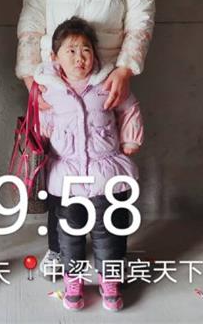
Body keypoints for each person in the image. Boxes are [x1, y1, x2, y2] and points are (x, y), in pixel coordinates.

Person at [16, 0, 155, 274]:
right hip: (56, 83)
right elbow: (31, 18)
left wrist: (125, 69)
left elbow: (141, 20)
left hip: (104, 82)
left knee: (110, 168)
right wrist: (31, 77)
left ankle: (112, 255)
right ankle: (59, 249)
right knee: (60, 164)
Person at [34, 17, 142, 312]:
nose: (79, 58)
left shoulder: (107, 83)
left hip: (104, 172)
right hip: (66, 176)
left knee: (109, 231)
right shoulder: (49, 90)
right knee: (70, 233)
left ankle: (110, 281)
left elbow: (129, 107)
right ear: (55, 57)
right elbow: (43, 121)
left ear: (95, 54)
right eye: (70, 51)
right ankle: (74, 281)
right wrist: (45, 138)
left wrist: (130, 140)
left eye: (85, 50)